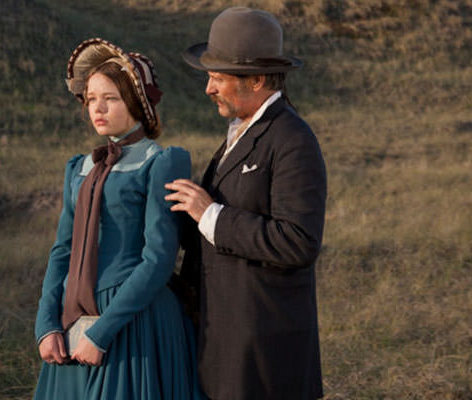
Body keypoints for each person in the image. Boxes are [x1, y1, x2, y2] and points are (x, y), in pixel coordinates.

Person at [165, 7, 327, 400]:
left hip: (265, 355)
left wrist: (210, 214)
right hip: (223, 342)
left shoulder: (293, 140)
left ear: (257, 80)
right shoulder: (240, 134)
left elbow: (298, 241)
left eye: (218, 77)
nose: (208, 88)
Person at [33, 38, 201, 400]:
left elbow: (158, 259)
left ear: (137, 101)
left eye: (110, 98)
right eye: (91, 98)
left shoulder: (161, 162)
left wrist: (102, 332)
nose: (98, 108)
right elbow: (62, 250)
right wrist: (46, 324)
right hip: (73, 320)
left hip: (133, 319)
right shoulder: (79, 168)